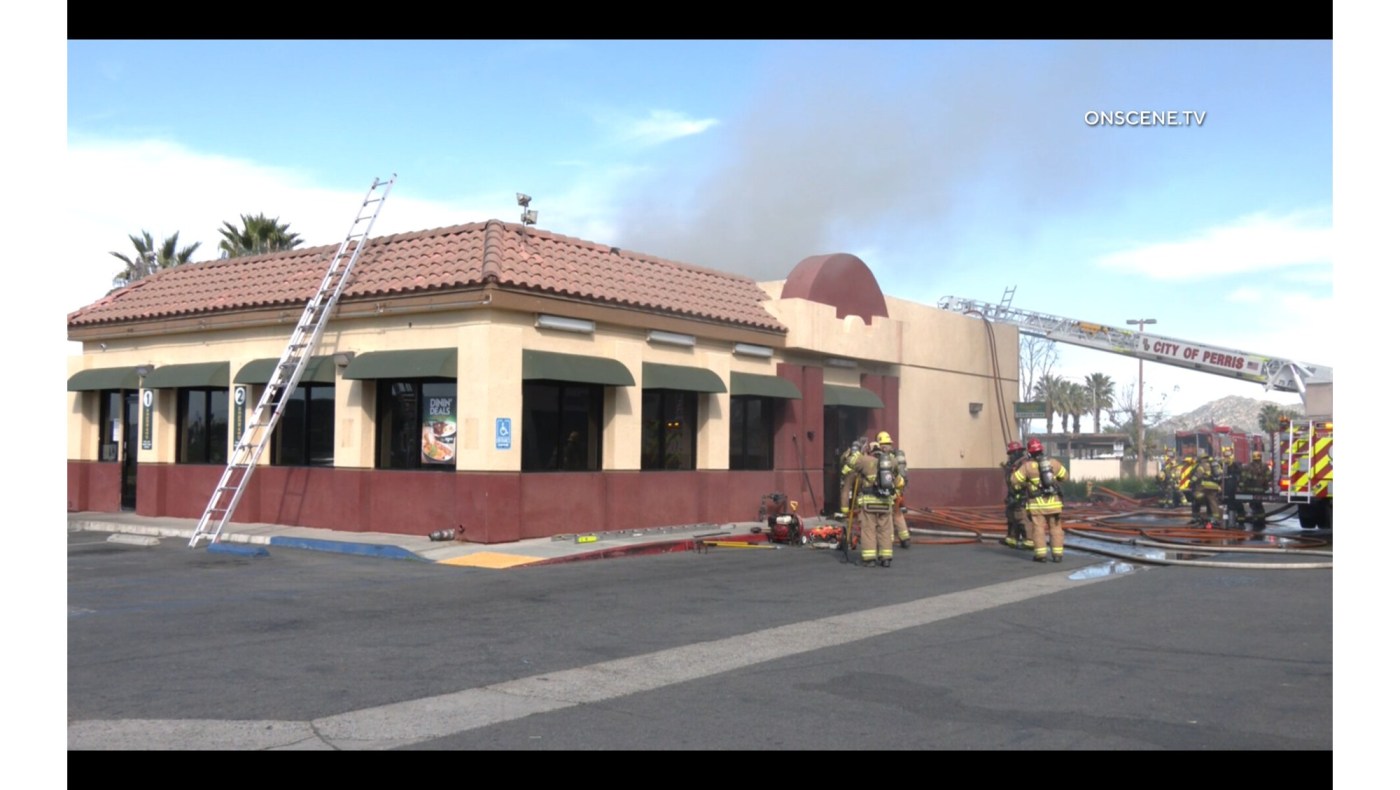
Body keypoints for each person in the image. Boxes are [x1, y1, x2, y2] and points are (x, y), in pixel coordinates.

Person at [839, 435, 903, 568]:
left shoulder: (865, 460)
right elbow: (899, 482)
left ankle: (869, 559)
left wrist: (855, 450)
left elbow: (849, 462)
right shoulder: (891, 461)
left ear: (869, 450)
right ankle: (886, 558)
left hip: (869, 504)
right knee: (885, 531)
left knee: (869, 530)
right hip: (886, 503)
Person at [1011, 438, 1068, 563]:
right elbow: (1065, 476)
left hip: (1037, 505)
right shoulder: (1054, 463)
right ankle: (1057, 555)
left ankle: (1041, 555)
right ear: (1042, 449)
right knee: (1056, 529)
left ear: (1029, 452)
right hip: (1054, 504)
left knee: (1038, 529)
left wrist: (1017, 472)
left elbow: (1014, 481)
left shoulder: (1027, 466)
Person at [875, 431, 913, 549]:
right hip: (898, 491)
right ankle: (905, 539)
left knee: (887, 516)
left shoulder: (883, 459)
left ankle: (889, 540)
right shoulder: (895, 457)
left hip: (889, 492)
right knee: (898, 514)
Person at [1002, 441, 1032, 549]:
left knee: (1023, 518)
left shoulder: (1024, 464)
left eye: (1012, 453)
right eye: (1009, 454)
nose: (1010, 456)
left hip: (1023, 495)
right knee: (1011, 517)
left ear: (1017, 452)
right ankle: (1012, 538)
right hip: (1013, 494)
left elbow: (1025, 481)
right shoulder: (1012, 464)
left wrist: (1020, 495)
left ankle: (1029, 540)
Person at [1189, 449, 1224, 527]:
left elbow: (1198, 475)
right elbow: (1220, 474)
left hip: (1204, 486)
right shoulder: (1215, 464)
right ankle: (1215, 518)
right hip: (1214, 487)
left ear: (1201, 458)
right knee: (1212, 502)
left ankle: (1196, 516)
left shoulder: (1202, 465)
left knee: (1196, 498)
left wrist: (1191, 482)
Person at [1239, 450, 1271, 532]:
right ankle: (1260, 521)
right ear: (1260, 457)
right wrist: (1264, 483)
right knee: (1258, 506)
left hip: (1250, 491)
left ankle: (1257, 520)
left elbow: (1243, 479)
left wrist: (1241, 489)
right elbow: (1269, 477)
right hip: (1260, 491)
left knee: (1254, 505)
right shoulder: (1264, 466)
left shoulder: (1247, 466)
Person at [1220, 446, 1245, 528]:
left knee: (1237, 506)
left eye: (1228, 454)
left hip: (1233, 490)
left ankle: (1240, 523)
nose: (1227, 457)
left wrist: (1239, 486)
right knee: (1227, 507)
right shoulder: (1221, 464)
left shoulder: (1236, 465)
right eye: (1226, 454)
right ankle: (1227, 523)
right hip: (1226, 491)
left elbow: (1241, 476)